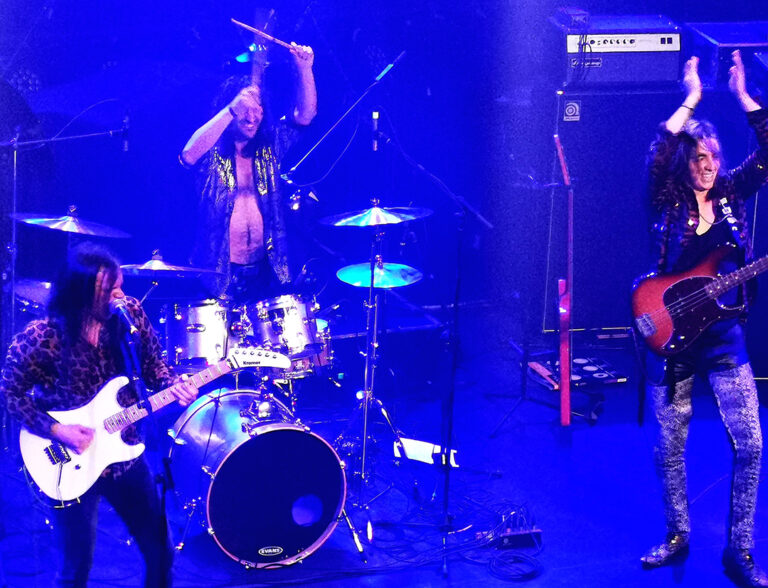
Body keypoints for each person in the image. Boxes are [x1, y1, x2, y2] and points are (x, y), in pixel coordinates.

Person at [641, 51, 768, 587]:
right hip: (674, 339)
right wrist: (692, 97)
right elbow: (659, 150)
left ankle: (739, 552)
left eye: (713, 156)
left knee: (752, 444)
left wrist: (743, 97)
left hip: (723, 338)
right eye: (698, 157)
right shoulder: (665, 197)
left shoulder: (732, 193)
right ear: (684, 162)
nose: (707, 165)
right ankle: (677, 535)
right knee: (670, 447)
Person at [0, 243, 198, 587]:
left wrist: (175, 384)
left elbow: (154, 367)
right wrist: (57, 430)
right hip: (66, 459)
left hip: (125, 455)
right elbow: (9, 392)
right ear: (80, 293)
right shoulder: (42, 335)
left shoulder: (128, 317)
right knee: (76, 566)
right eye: (109, 290)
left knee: (161, 551)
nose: (119, 295)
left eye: (120, 285)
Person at [179, 41, 317, 303]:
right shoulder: (212, 152)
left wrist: (305, 68)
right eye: (245, 110)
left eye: (257, 110)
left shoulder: (270, 148)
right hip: (217, 275)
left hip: (266, 270)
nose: (251, 117)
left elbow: (305, 115)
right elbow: (188, 154)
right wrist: (232, 108)